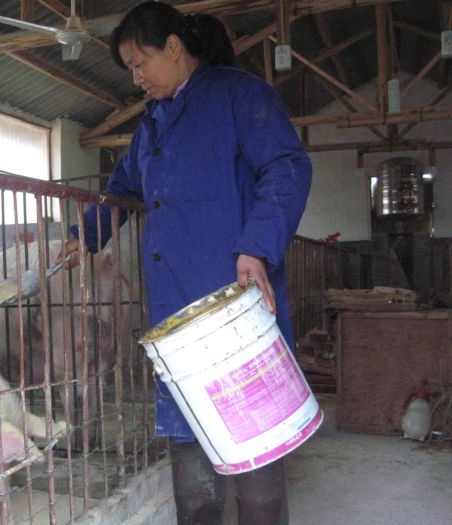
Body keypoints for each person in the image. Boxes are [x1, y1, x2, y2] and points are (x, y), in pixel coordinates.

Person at [59, 2, 312, 523]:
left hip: (235, 305)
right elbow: (123, 187)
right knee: (190, 446)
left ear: (173, 47)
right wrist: (85, 236)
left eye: (140, 63)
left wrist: (256, 247)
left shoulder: (239, 95)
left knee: (253, 446)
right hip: (176, 315)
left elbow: (287, 167)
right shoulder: (151, 125)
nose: (136, 78)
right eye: (130, 69)